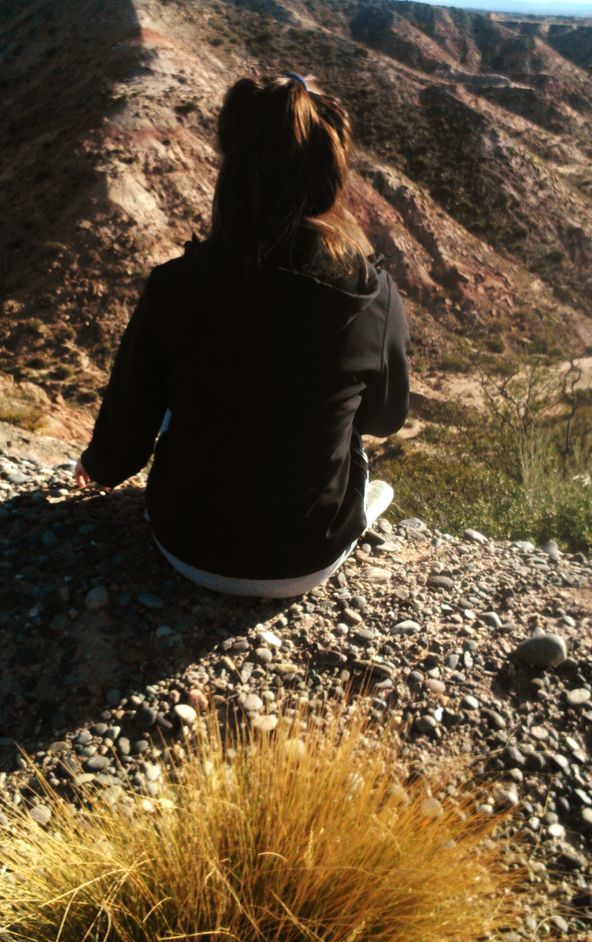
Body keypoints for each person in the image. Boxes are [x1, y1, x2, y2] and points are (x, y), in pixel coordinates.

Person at [73, 72, 410, 597]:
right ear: (330, 173)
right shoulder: (373, 295)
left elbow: (129, 432)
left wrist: (97, 466)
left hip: (184, 546)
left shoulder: (174, 285)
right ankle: (354, 510)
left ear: (232, 166)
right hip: (307, 558)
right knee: (345, 425)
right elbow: (385, 418)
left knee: (177, 387)